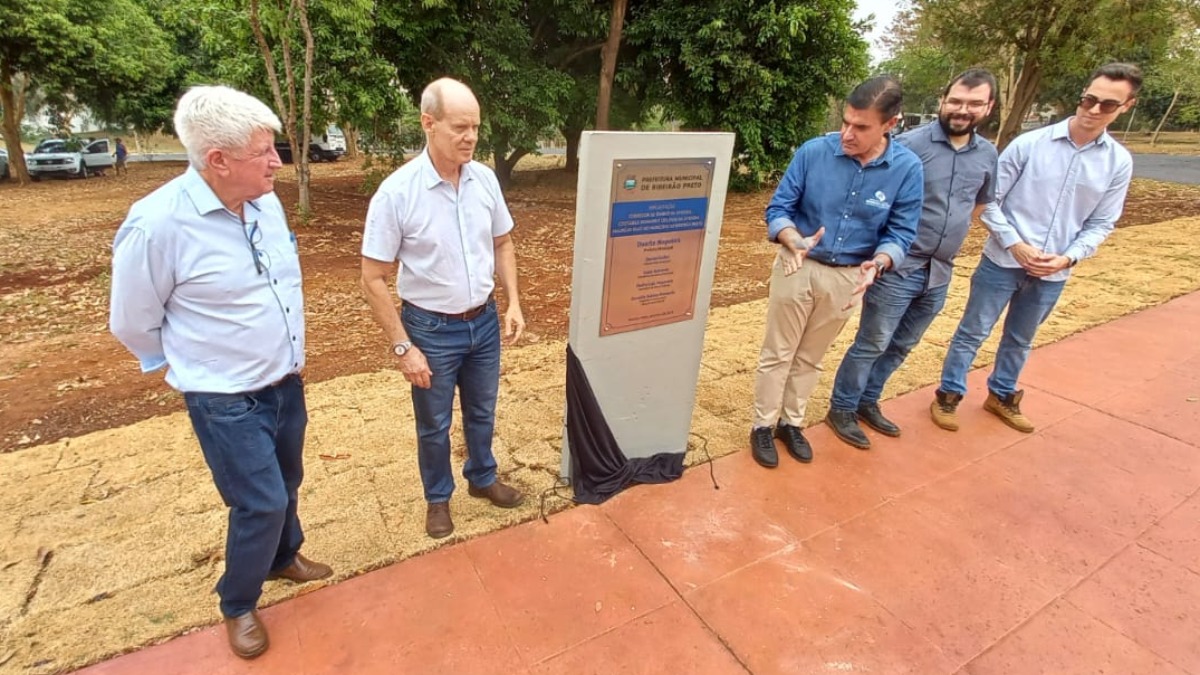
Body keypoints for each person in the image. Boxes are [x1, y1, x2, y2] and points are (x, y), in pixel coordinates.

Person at [109, 85, 331, 661]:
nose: (277, 161)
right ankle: (238, 602)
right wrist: (183, 366)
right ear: (217, 160)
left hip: (284, 379)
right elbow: (133, 320)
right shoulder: (157, 225)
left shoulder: (265, 201)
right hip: (224, 396)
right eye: (265, 152)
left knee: (286, 482)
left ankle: (284, 557)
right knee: (259, 501)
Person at [932, 63, 1141, 433]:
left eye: (1107, 104)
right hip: (1002, 261)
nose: (1093, 109)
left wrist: (1069, 256)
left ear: (1126, 106)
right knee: (972, 331)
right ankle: (949, 395)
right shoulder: (1030, 144)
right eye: (1089, 99)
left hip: (1054, 270)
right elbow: (988, 201)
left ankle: (1002, 393)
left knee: (1021, 338)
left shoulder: (1118, 162)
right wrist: (1014, 244)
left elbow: (1102, 222)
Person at [360, 77, 526, 539]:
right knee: (433, 423)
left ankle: (483, 477)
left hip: (484, 322)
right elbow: (372, 278)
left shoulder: (485, 180)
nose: (470, 137)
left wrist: (512, 301)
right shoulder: (397, 193)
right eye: (459, 127)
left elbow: (503, 242)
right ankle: (438, 498)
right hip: (430, 329)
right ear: (428, 124)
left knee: (483, 410)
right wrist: (401, 348)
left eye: (475, 127)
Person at [750, 75, 923, 468]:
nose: (847, 133)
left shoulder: (907, 169)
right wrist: (792, 238)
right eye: (846, 122)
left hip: (849, 277)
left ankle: (791, 423)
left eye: (861, 127)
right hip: (798, 264)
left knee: (810, 357)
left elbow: (901, 230)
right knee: (778, 353)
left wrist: (878, 263)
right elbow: (779, 209)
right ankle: (762, 425)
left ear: (890, 125)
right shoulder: (813, 152)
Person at [826, 69, 1000, 449]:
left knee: (903, 344)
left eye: (973, 104)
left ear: (988, 107)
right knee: (872, 342)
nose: (961, 110)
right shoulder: (907, 147)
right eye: (955, 100)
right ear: (943, 99)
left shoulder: (987, 154)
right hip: (898, 266)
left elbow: (980, 203)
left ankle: (868, 401)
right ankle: (841, 408)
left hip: (940, 270)